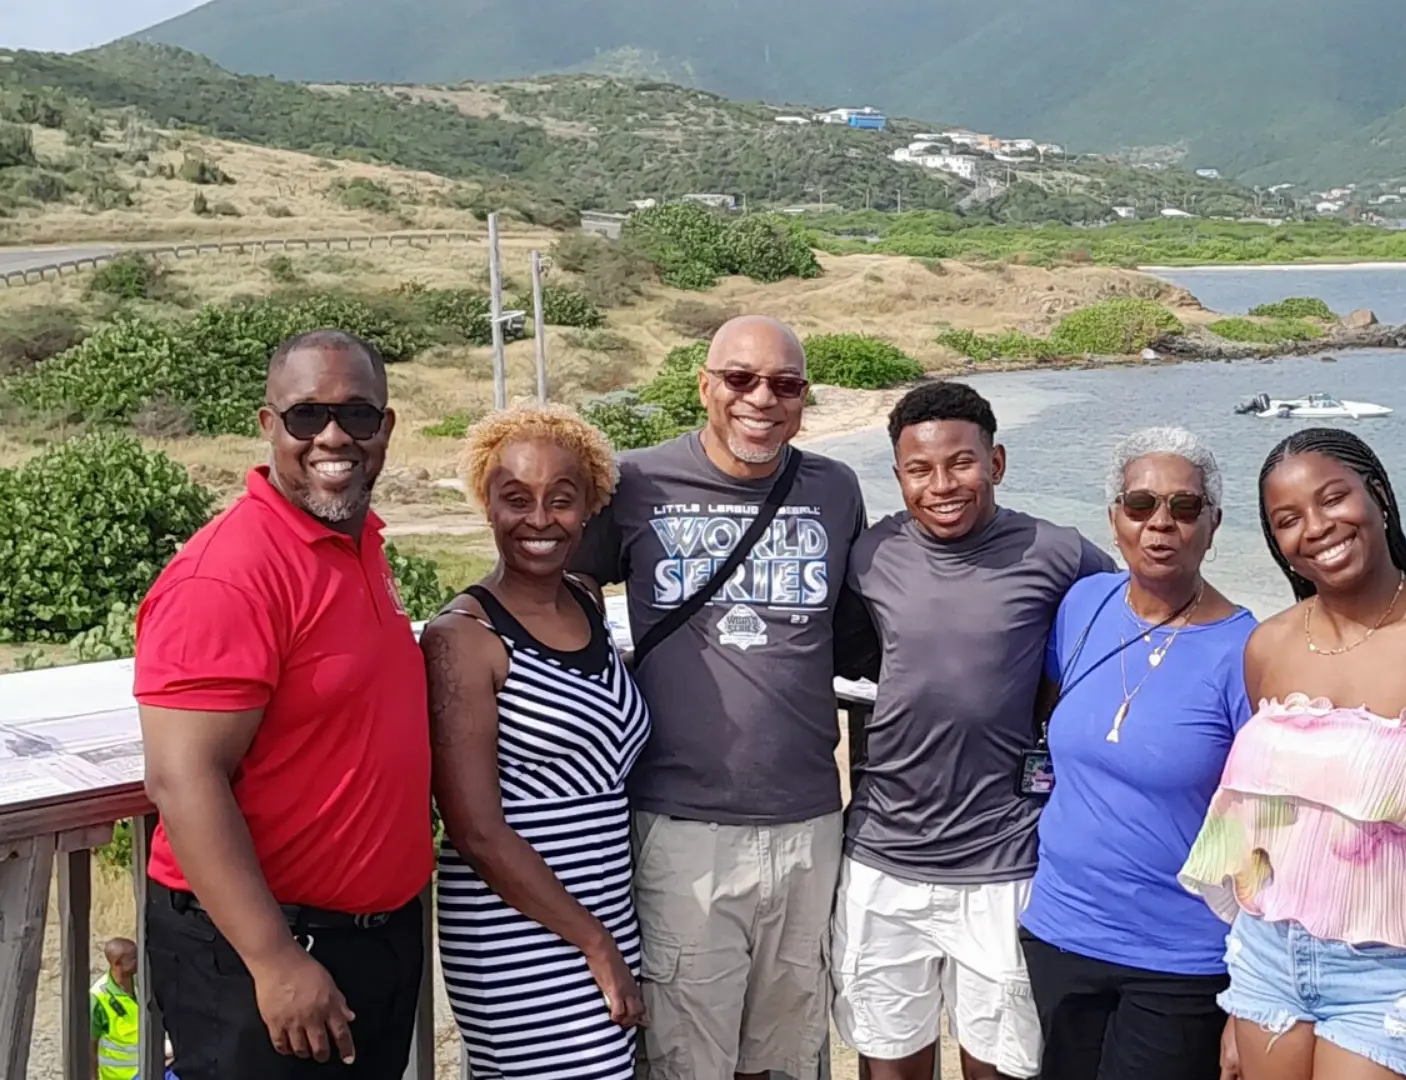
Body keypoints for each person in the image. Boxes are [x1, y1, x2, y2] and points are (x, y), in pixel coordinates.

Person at [1176, 427, 1406, 1080]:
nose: (1315, 527)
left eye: (1333, 498)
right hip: (1267, 959)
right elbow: (1264, 830)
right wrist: (1239, 1002)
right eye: (1288, 520)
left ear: (1379, 500)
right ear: (1278, 545)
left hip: (1395, 972)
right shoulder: (1268, 648)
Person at [568, 314, 868, 1080]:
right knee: (687, 1053)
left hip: (808, 821)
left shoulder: (834, 488)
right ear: (704, 385)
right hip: (682, 825)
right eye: (739, 379)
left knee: (788, 1052)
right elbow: (558, 599)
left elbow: (859, 631)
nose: (760, 399)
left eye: (785, 384)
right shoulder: (635, 482)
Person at [134, 329, 432, 1079]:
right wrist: (273, 960)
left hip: (368, 943)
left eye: (358, 415)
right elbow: (181, 777)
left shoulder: (357, 544)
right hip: (265, 953)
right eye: (306, 417)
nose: (333, 436)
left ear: (386, 428)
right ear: (269, 427)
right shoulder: (229, 574)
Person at [832, 382, 1114, 1080]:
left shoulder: (1061, 553)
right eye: (918, 471)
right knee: (889, 1060)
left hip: (1005, 862)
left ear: (998, 462)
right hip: (880, 856)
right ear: (897, 476)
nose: (941, 485)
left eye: (961, 462)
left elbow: (1126, 635)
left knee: (1003, 1065)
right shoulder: (870, 555)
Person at [1014, 426, 1258, 1080]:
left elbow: (1268, 835)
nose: (1160, 524)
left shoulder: (1247, 652)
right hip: (1060, 932)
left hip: (1180, 956)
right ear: (1114, 518)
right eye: (1140, 505)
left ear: (1213, 525)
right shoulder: (1082, 605)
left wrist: (1254, 994)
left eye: (1183, 508)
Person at [423, 405, 652, 1078]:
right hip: (519, 937)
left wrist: (606, 938)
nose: (540, 520)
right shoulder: (464, 637)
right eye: (516, 499)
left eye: (562, 499)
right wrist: (595, 946)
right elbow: (476, 831)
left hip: (602, 913)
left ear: (590, 507)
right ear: (485, 504)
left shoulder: (585, 601)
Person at [90, 938, 140, 1080]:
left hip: (149, 1070)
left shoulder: (141, 984)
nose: (139, 960)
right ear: (117, 963)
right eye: (133, 958)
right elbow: (89, 1046)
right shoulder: (99, 997)